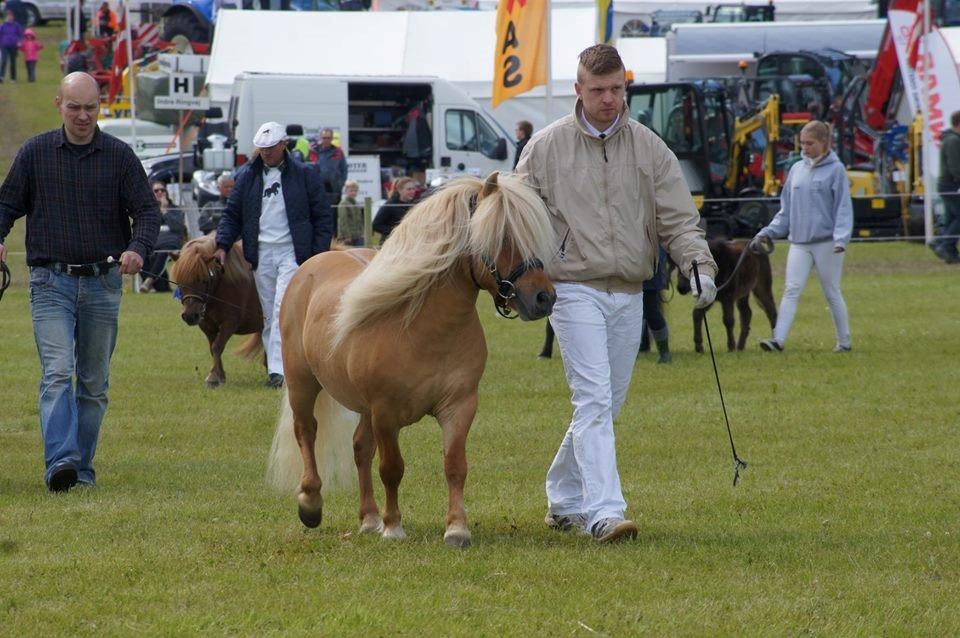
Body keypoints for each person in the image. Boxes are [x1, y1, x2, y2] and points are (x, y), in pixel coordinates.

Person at [516, 44, 717, 544]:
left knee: (607, 403)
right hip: (572, 288)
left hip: (630, 289)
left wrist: (697, 266)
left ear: (625, 87)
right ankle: (604, 511)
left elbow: (678, 217)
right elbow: (517, 221)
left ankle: (563, 496)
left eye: (616, 89)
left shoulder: (650, 147)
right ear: (578, 89)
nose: (608, 99)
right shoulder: (543, 148)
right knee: (594, 399)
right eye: (598, 90)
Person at [0, 72, 160, 492]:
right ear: (59, 105)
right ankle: (61, 463)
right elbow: (6, 204)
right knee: (57, 372)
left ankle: (82, 469)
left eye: (91, 107)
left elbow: (147, 211)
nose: (83, 116)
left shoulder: (120, 157)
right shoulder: (35, 154)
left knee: (93, 383)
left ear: (100, 106)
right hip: (50, 282)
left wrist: (138, 248)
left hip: (103, 283)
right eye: (75, 107)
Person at [214, 121, 333, 388]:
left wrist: (318, 254)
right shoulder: (247, 176)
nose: (266, 153)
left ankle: (282, 372)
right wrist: (222, 245)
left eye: (271, 147)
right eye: (262, 148)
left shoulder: (305, 174)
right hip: (260, 253)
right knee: (268, 313)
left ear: (284, 145)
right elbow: (232, 214)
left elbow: (322, 216)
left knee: (282, 307)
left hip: (293, 252)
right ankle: (277, 368)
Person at [752, 120, 853, 353]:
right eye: (803, 143)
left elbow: (843, 208)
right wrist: (768, 232)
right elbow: (786, 211)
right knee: (791, 289)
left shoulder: (836, 170)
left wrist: (841, 239)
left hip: (827, 242)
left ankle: (844, 341)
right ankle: (778, 340)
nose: (805, 148)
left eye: (810, 143)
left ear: (824, 143)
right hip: (799, 242)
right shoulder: (796, 169)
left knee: (831, 291)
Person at [140, 181, 185, 293]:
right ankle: (159, 287)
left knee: (163, 252)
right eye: (156, 190)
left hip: (169, 245)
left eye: (162, 190)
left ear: (166, 192)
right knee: (141, 254)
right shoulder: (149, 210)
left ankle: (148, 282)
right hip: (153, 245)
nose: (160, 192)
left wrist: (165, 210)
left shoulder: (174, 209)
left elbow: (178, 227)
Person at [931, 110, 960, 264]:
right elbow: (955, 167)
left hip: (947, 184)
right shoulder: (953, 141)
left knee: (951, 218)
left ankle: (943, 246)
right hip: (951, 185)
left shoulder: (950, 139)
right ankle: (944, 244)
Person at [637, 246, 671, 364]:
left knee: (651, 312)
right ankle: (633, 351)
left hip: (650, 267)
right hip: (632, 266)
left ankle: (665, 353)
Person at [372, 176, 418, 245]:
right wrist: (396, 231)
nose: (412, 191)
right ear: (399, 190)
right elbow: (376, 225)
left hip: (407, 243)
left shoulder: (413, 204)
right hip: (390, 244)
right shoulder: (390, 205)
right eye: (409, 189)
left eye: (413, 189)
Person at [310, 128, 348, 205]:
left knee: (334, 213)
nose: (326, 140)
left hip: (334, 189)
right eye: (324, 138)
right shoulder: (314, 151)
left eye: (328, 138)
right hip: (317, 188)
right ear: (320, 138)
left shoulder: (338, 151)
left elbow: (344, 169)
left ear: (332, 138)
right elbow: (308, 169)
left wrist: (340, 184)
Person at [336, 179, 364, 246]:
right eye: (351, 191)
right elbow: (343, 221)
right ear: (346, 191)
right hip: (347, 237)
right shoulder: (343, 204)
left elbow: (359, 220)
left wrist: (362, 233)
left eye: (355, 191)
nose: (353, 193)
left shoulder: (356, 203)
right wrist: (347, 236)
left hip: (357, 235)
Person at [0, 10, 23, 83]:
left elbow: (20, 35)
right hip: (4, 45)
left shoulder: (16, 25)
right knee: (4, 61)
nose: (10, 17)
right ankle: (1, 76)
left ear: (13, 17)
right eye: (8, 16)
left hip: (13, 45)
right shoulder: (3, 25)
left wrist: (19, 42)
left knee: (13, 62)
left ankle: (13, 78)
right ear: (6, 17)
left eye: (11, 16)